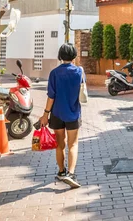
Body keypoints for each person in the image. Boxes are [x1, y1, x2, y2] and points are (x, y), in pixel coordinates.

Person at [39, 43, 83, 188]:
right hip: (73, 113)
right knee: (73, 144)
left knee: (60, 144)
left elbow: (51, 96)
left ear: (60, 56)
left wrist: (45, 114)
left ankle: (61, 171)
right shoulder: (79, 72)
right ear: (74, 55)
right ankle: (71, 173)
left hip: (57, 113)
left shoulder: (54, 73)